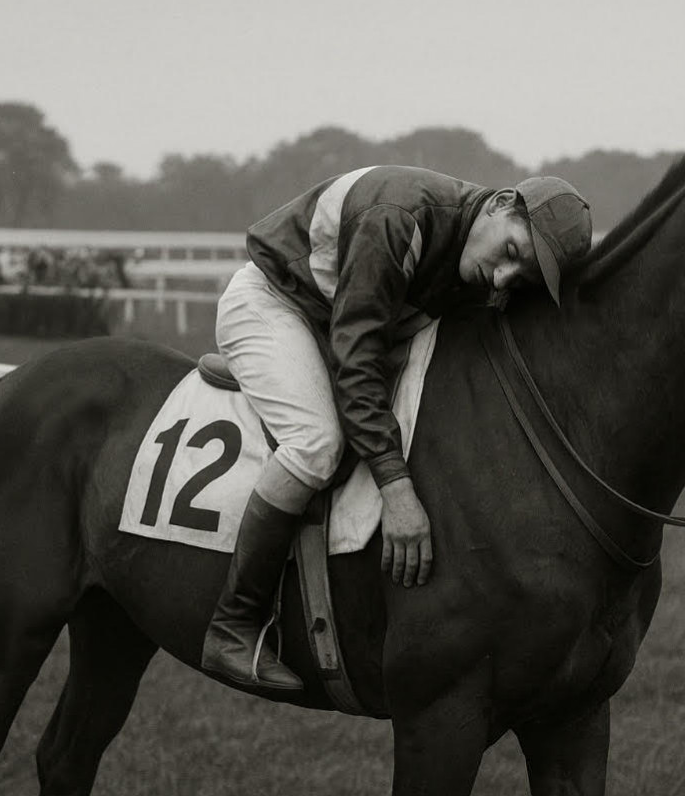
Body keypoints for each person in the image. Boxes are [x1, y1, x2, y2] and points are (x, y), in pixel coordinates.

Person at [201, 165, 592, 690]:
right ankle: (234, 624)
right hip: (276, 303)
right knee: (317, 443)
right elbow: (357, 360)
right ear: (500, 204)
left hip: (343, 318)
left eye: (518, 279)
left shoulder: (476, 248)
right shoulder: (397, 216)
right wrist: (397, 488)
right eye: (511, 254)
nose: (501, 280)